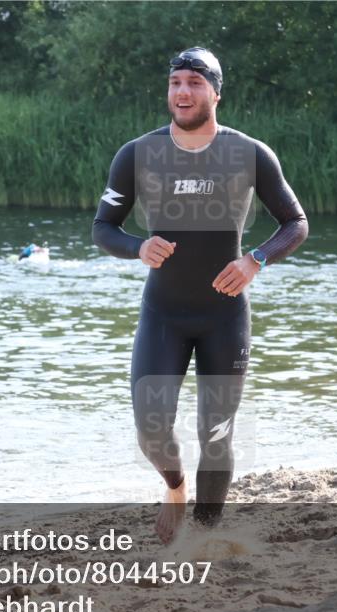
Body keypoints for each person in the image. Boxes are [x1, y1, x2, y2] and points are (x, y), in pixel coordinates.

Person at [92, 47, 308, 543]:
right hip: (164, 312)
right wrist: (137, 246)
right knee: (151, 428)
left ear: (216, 93)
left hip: (223, 316)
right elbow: (103, 227)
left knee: (216, 433)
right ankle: (175, 487)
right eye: (175, 83)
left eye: (194, 82)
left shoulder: (249, 153)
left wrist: (255, 260)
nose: (182, 92)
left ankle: (206, 535)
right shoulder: (138, 154)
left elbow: (295, 223)